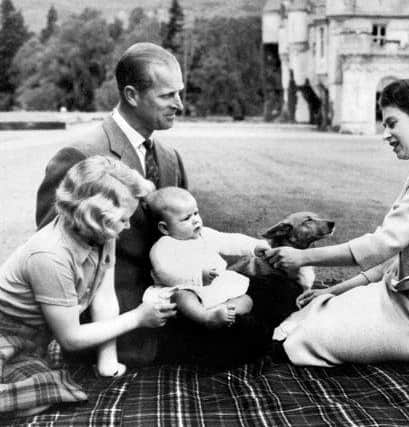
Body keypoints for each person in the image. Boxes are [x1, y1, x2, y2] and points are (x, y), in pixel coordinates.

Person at [263, 78, 409, 366]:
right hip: (400, 299)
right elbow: (393, 258)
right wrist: (334, 289)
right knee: (309, 312)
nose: (386, 134)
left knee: (303, 340)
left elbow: (383, 244)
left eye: (392, 123)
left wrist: (303, 257)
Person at [35, 42, 188, 365]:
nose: (180, 104)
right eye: (167, 96)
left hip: (172, 301)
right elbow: (54, 253)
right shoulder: (81, 155)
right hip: (109, 323)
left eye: (180, 93)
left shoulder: (170, 159)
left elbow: (186, 237)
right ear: (131, 95)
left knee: (251, 316)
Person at [0, 156, 176, 417]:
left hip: (34, 342)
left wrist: (108, 361)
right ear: (93, 217)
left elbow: (103, 296)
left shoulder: (102, 231)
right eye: (124, 219)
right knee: (41, 395)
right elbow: (70, 339)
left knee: (47, 391)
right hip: (7, 334)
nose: (128, 226)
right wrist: (139, 317)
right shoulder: (50, 255)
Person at [144, 187, 269, 328]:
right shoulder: (164, 246)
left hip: (213, 286)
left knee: (246, 300)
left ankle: (225, 311)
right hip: (186, 287)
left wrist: (254, 246)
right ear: (165, 228)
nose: (195, 221)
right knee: (182, 297)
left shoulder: (204, 234)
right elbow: (164, 272)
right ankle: (206, 317)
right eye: (186, 218)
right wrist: (197, 276)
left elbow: (228, 240)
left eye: (196, 213)